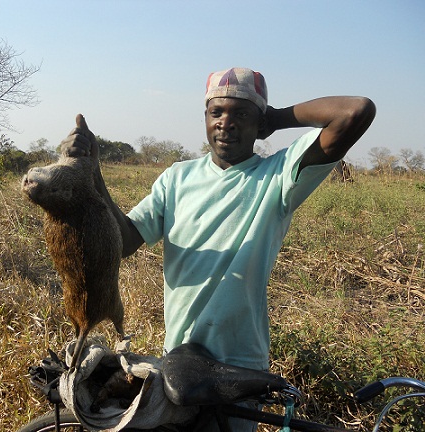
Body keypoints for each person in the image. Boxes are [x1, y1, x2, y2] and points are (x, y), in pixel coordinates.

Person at [60, 67, 376, 431]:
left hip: (238, 361)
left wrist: (274, 116)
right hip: (179, 359)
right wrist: (91, 172)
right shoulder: (177, 178)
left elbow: (355, 111)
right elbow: (125, 240)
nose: (226, 122)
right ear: (205, 119)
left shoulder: (279, 176)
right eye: (217, 112)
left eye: (241, 113)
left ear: (259, 125)